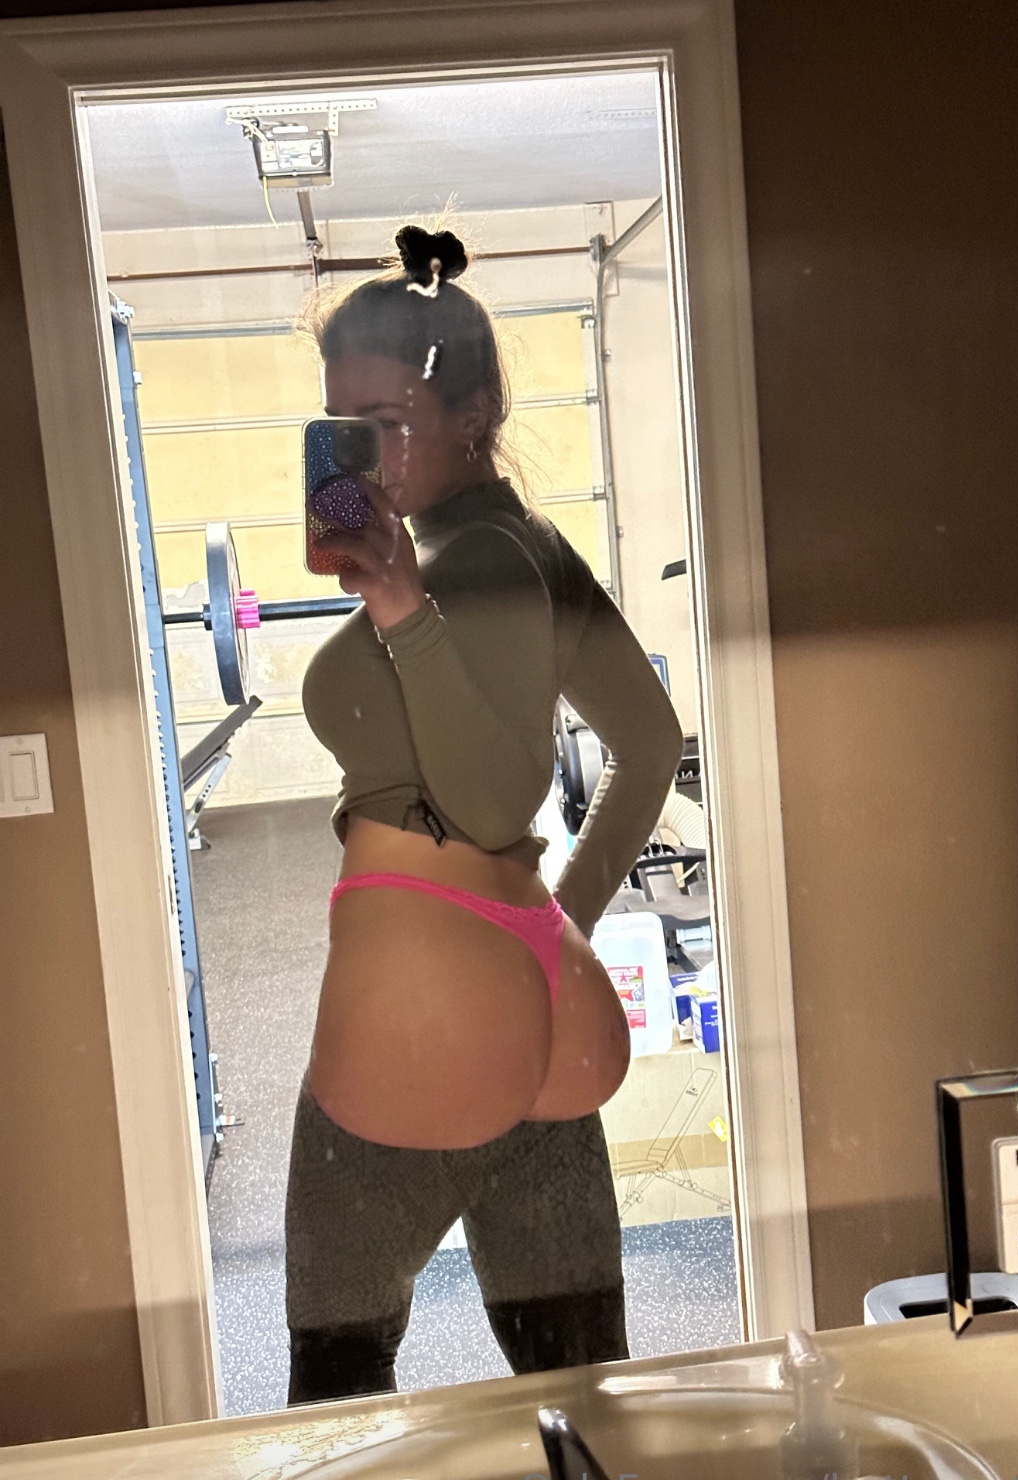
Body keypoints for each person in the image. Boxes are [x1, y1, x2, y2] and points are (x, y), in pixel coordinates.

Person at [286, 224, 684, 1401]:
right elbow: (650, 742)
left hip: (422, 1019)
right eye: (343, 427)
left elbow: (498, 796)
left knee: (338, 1397)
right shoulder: (526, 543)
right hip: (528, 998)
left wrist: (400, 611)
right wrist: (555, 927)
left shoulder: (476, 567)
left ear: (473, 414)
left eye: (387, 421)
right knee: (580, 1395)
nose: (364, 455)